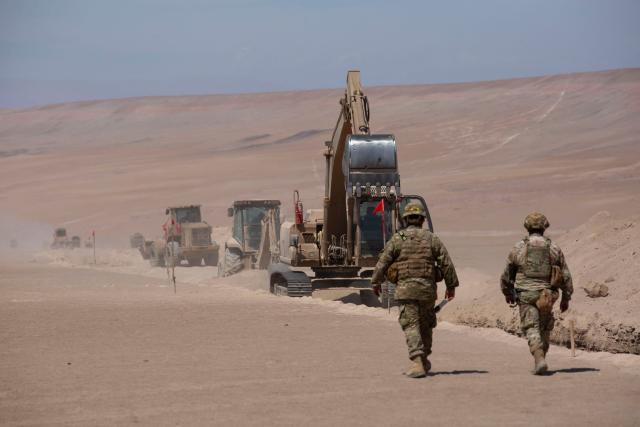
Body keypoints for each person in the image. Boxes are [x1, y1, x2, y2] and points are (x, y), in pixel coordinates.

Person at [371, 202, 459, 378]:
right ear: (422, 220)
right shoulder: (431, 238)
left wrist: (376, 282)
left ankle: (417, 360)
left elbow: (383, 262)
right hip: (427, 291)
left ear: (405, 220)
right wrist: (451, 286)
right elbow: (446, 263)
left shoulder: (398, 239)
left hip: (406, 290)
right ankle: (424, 360)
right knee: (426, 326)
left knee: (411, 324)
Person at [500, 212, 573, 375]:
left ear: (527, 227)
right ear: (544, 227)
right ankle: (541, 359)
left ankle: (539, 358)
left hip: (526, 295)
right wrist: (566, 297)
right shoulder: (553, 248)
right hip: (547, 295)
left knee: (531, 327)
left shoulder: (519, 247)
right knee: (544, 327)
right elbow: (566, 276)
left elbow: (506, 275)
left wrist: (507, 292)